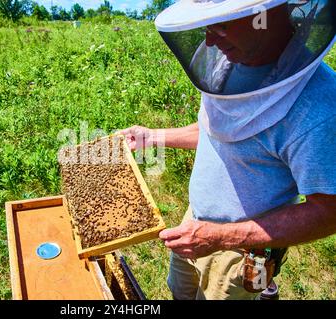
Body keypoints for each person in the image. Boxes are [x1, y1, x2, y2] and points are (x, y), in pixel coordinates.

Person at [119, 0, 336, 300]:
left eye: (221, 25)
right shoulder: (226, 63)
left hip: (241, 252)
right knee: (179, 292)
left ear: (265, 14)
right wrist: (153, 136)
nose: (209, 39)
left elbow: (328, 211)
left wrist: (220, 237)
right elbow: (217, 132)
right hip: (194, 223)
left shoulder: (319, 105)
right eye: (208, 25)